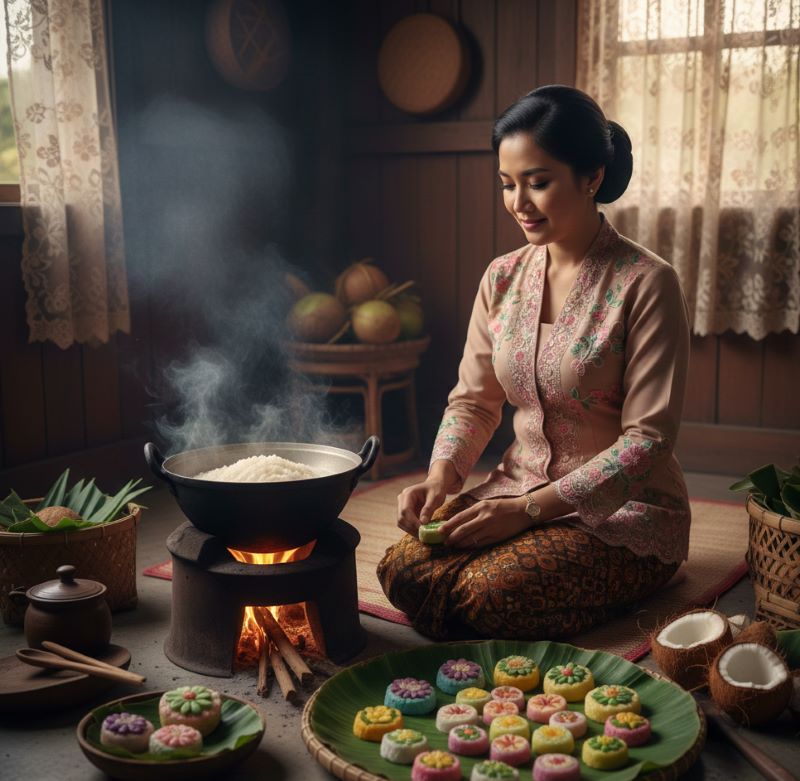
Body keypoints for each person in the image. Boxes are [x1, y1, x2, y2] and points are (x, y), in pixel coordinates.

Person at [377, 85, 691, 640]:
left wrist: (529, 513)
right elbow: (474, 401)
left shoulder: (646, 283)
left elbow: (648, 441)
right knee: (402, 569)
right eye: (507, 184)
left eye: (538, 182)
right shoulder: (502, 277)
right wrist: (439, 478)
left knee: (490, 593)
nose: (519, 203)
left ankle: (636, 577)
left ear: (591, 176)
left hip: (624, 512)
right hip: (514, 488)